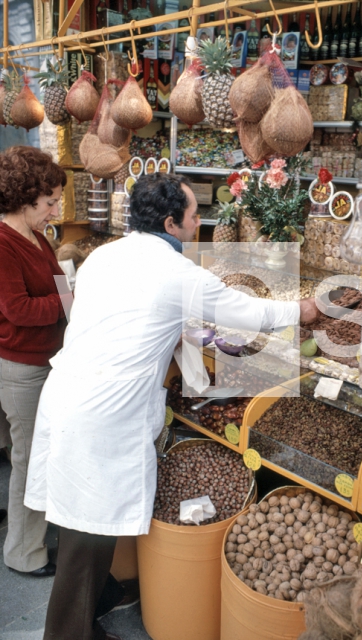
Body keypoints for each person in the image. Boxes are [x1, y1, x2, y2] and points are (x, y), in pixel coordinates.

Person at [25, 173, 319, 640]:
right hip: (102, 415)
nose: (200, 223)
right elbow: (246, 311)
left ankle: (95, 608)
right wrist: (301, 311)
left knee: (84, 525)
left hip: (69, 397)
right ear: (170, 222)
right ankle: (65, 633)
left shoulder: (105, 255)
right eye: (194, 216)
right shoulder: (175, 272)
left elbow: (107, 316)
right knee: (83, 541)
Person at [0, 146, 69, 577]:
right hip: (23, 368)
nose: (56, 209)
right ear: (25, 200)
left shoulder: (35, 235)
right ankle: (23, 554)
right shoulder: (5, 243)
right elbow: (18, 309)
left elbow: (54, 281)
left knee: (33, 454)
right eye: (50, 203)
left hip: (45, 359)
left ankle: (29, 532)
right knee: (28, 459)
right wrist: (67, 303)